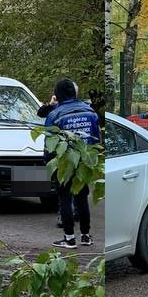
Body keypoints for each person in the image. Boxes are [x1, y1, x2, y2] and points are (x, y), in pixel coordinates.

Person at [43, 77, 100, 250]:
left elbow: (50, 144)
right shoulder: (91, 112)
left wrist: (49, 164)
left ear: (58, 95)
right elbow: (97, 139)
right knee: (82, 198)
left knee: (65, 199)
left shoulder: (54, 115)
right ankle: (85, 236)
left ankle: (69, 238)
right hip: (84, 161)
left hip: (64, 163)